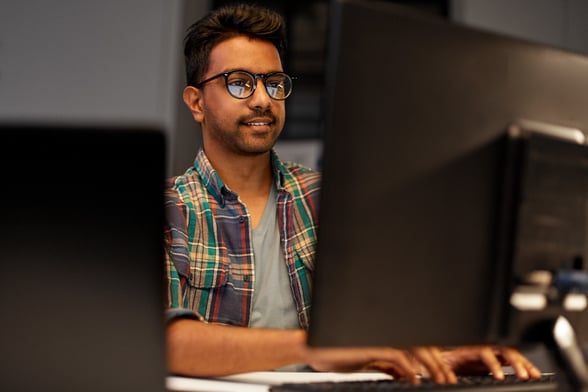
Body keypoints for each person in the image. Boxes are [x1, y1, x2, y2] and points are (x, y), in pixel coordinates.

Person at [163, 3, 542, 385]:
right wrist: (313, 346)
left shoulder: (330, 201)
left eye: (274, 83)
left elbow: (383, 327)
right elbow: (166, 339)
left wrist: (443, 356)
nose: (263, 99)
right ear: (196, 102)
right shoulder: (168, 210)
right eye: (240, 82)